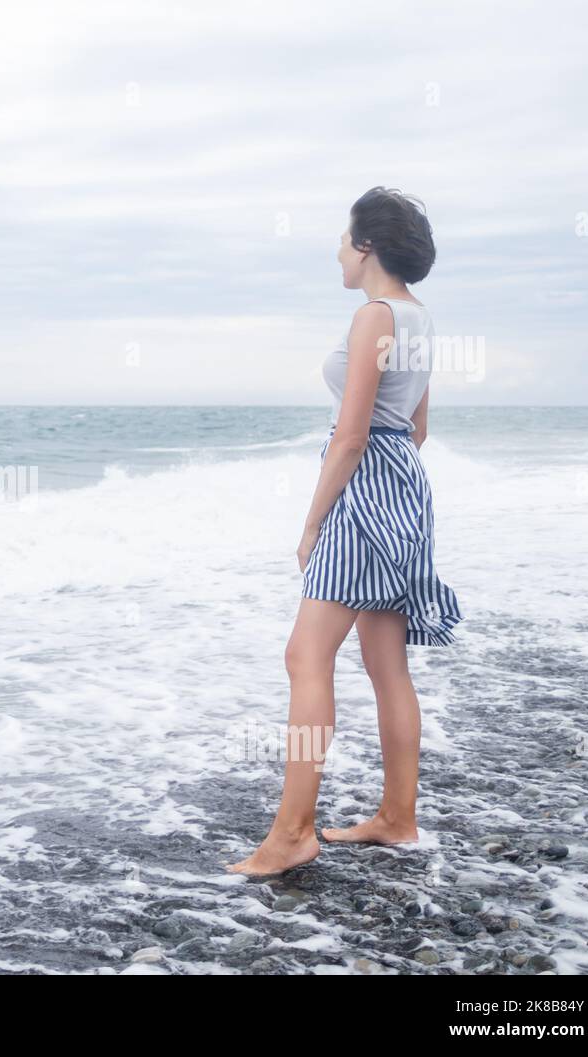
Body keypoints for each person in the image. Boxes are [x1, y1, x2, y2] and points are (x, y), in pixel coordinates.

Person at [226, 186, 463, 876]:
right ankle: (398, 817)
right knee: (387, 665)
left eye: (342, 239)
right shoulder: (420, 319)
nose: (337, 250)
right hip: (406, 489)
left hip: (364, 490)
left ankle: (294, 832)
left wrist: (314, 521)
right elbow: (416, 429)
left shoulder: (373, 319)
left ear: (367, 248)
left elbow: (352, 436)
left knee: (305, 657)